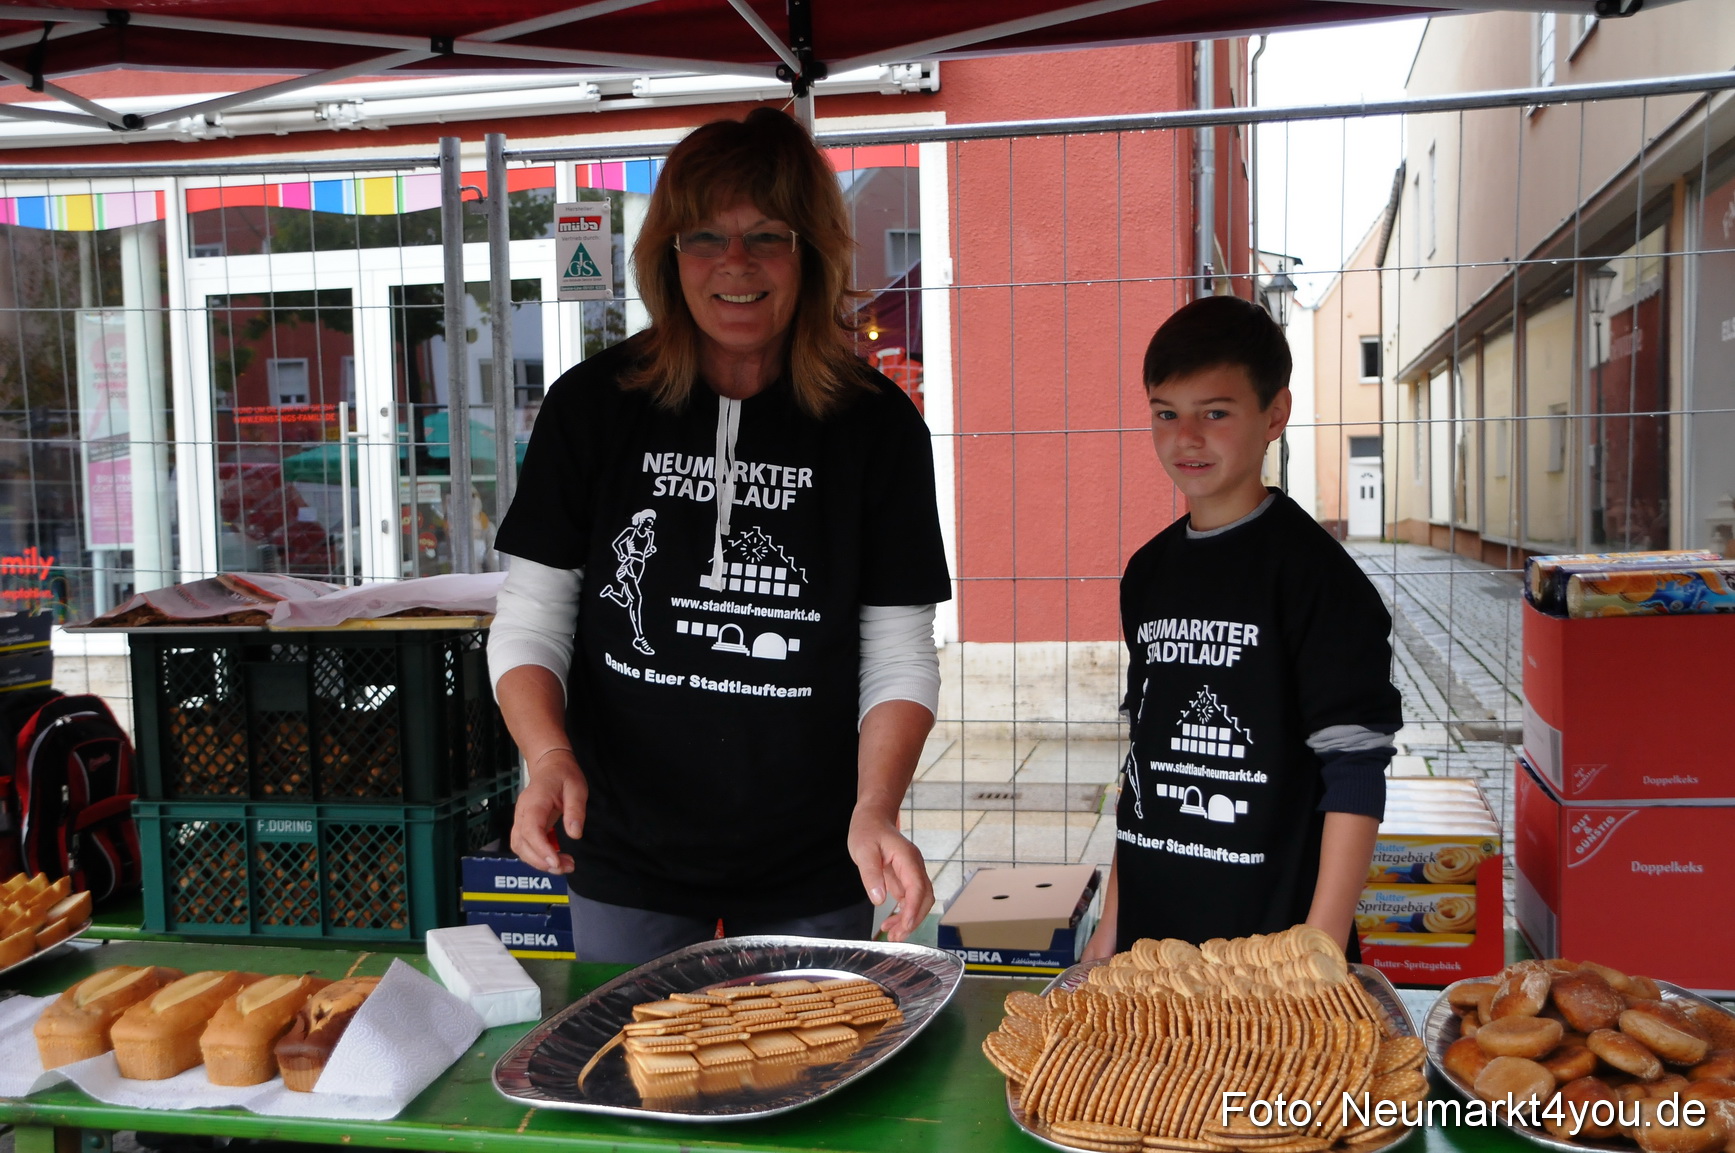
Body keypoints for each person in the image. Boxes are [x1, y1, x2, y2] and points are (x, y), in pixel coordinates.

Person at [487, 108, 952, 965]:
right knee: (634, 1070)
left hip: (817, 854)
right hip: (624, 844)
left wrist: (876, 807)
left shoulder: (875, 425)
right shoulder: (593, 405)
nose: (734, 265)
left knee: (805, 1079)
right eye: (704, 237)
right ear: (668, 256)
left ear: (810, 252)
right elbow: (532, 614)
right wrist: (546, 754)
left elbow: (897, 648)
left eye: (766, 237)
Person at [1083, 295, 1401, 960]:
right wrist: (1108, 934)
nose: (1185, 437)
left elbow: (1354, 769)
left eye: (1215, 413)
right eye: (1165, 413)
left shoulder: (1318, 578)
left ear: (1274, 415)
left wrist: (1318, 945)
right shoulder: (1147, 573)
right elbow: (1142, 763)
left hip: (1273, 949)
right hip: (1152, 942)